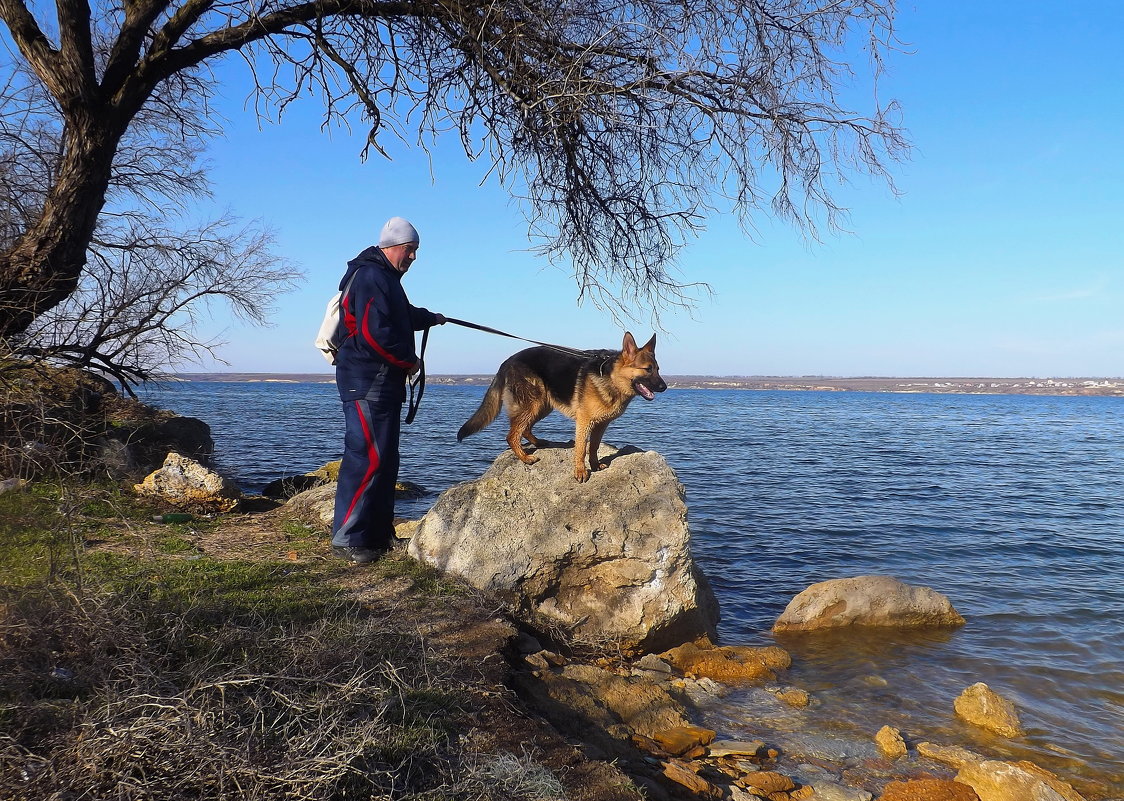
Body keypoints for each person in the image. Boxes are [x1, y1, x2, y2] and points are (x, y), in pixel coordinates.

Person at [331, 217, 445, 563]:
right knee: (366, 458)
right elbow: (373, 333)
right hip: (367, 380)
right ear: (392, 246)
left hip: (382, 382)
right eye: (409, 250)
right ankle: (348, 539)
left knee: (385, 460)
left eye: (415, 252)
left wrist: (430, 317)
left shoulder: (385, 278)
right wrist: (408, 361)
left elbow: (399, 315)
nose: (412, 258)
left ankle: (378, 535)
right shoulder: (370, 275)